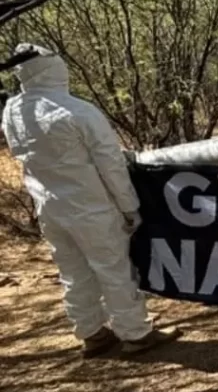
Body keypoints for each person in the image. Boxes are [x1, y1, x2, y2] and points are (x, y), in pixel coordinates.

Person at [1, 44, 182, 358]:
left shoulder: (13, 111)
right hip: (92, 206)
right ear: (53, 68)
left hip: (49, 207)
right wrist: (129, 206)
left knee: (73, 271)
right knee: (113, 269)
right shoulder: (77, 111)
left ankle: (91, 333)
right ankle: (136, 333)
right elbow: (110, 164)